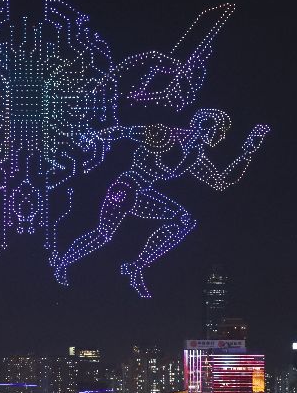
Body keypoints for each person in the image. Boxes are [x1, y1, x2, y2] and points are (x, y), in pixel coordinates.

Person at [51, 110, 268, 297]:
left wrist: (247, 153)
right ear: (205, 126)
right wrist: (93, 137)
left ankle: (136, 266)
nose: (221, 136)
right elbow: (124, 131)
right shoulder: (166, 136)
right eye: (219, 131)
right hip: (126, 187)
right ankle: (62, 262)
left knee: (184, 221)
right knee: (103, 234)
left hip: (143, 193)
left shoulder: (195, 156)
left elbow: (220, 182)